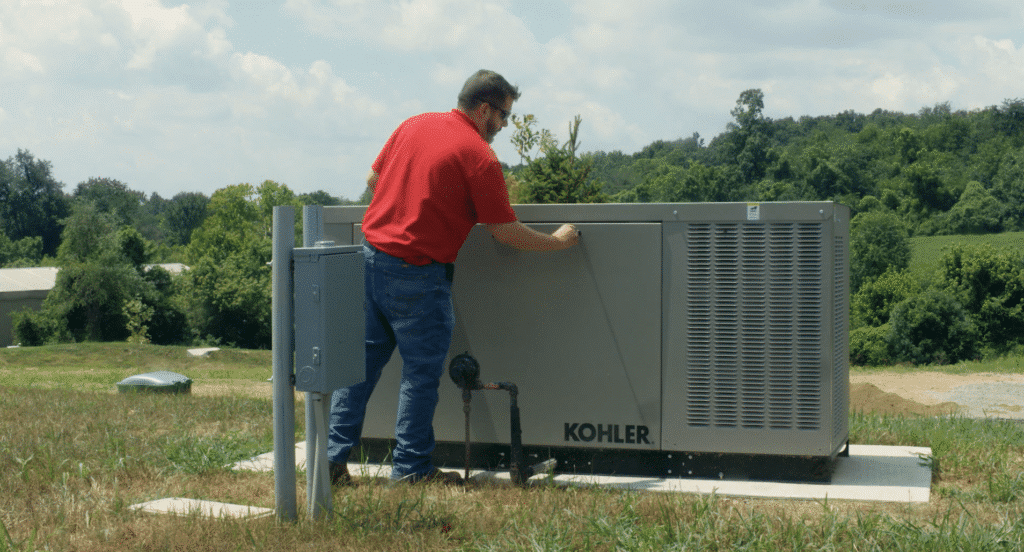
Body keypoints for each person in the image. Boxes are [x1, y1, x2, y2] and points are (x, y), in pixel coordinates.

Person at [328, 69, 580, 485]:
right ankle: (410, 472)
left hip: (370, 260)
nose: (503, 125)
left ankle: (331, 461)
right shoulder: (478, 156)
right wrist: (558, 241)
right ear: (484, 110)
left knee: (360, 368)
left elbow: (374, 181)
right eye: (503, 115)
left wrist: (408, 208)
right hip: (417, 275)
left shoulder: (413, 124)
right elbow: (505, 230)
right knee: (420, 376)